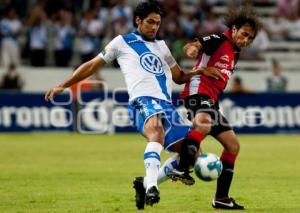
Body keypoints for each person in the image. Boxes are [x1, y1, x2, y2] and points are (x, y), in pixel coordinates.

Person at [45, 0, 222, 210]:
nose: (154, 27)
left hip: (166, 104)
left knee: (191, 153)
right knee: (156, 130)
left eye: (158, 23)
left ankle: (144, 183)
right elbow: (92, 65)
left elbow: (179, 77)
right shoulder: (122, 42)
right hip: (142, 100)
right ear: (138, 20)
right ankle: (152, 188)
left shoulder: (162, 47)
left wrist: (200, 71)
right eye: (150, 22)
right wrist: (63, 85)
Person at [179, 6, 262, 210]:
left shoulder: (235, 52)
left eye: (249, 38)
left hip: (211, 100)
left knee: (232, 146)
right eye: (243, 34)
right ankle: (181, 167)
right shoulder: (219, 40)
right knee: (204, 125)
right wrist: (192, 51)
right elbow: (193, 46)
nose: (245, 40)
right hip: (197, 93)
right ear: (234, 29)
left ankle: (221, 198)